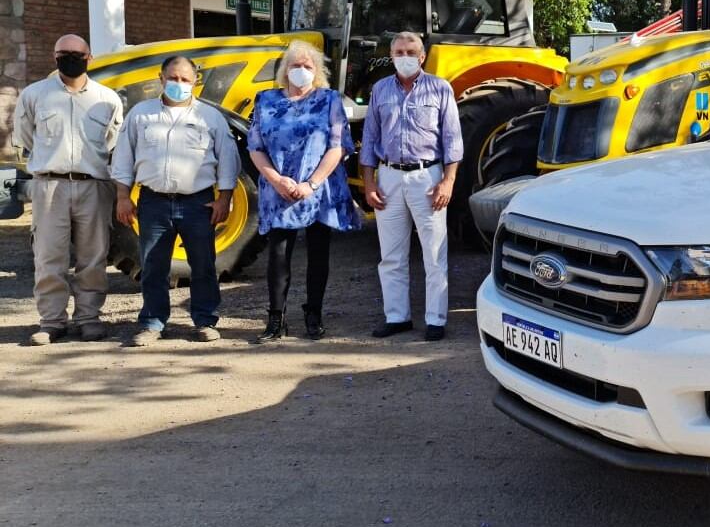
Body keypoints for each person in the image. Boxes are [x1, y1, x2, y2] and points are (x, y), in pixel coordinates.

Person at [111, 56, 239, 346]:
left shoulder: (210, 117)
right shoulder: (141, 114)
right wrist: (122, 197)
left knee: (203, 265)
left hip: (198, 204)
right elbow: (123, 158)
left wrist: (225, 199)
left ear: (195, 82)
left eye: (185, 79)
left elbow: (228, 161)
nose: (178, 84)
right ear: (161, 78)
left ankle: (205, 320)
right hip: (153, 203)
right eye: (173, 78)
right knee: (153, 266)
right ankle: (152, 323)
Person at [245, 41, 361, 342]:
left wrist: (311, 183)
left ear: (318, 72)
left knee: (318, 254)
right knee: (278, 255)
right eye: (295, 65)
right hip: (278, 189)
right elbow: (255, 147)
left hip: (319, 191)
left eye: (308, 66)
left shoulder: (330, 100)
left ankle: (314, 315)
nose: (301, 71)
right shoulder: (266, 100)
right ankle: (276, 318)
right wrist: (278, 181)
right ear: (285, 70)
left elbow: (338, 147)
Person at [12, 34, 124, 345]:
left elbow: (113, 145)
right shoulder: (35, 95)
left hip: (94, 187)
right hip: (50, 186)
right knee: (49, 257)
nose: (70, 57)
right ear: (54, 56)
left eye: (76, 53)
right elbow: (26, 137)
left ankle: (89, 319)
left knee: (93, 257)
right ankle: (51, 322)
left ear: (89, 57)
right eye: (63, 53)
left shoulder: (107, 99)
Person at [358, 32, 462, 342]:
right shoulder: (380, 90)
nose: (405, 56)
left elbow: (452, 141)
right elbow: (370, 140)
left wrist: (448, 181)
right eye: (399, 51)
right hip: (388, 177)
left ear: (422, 56)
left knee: (433, 253)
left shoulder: (440, 89)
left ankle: (435, 320)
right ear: (391, 55)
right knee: (391, 254)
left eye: (411, 51)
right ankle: (397, 317)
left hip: (427, 177)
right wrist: (368, 183)